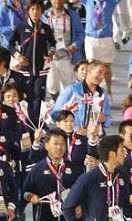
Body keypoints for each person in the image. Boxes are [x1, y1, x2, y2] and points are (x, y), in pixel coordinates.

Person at [22, 128, 81, 221]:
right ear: (46, 145)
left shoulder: (73, 169)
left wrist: (80, 205)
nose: (59, 147)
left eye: (62, 144)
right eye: (55, 143)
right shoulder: (37, 170)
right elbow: (25, 191)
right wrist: (31, 196)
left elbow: (82, 191)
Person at [10, 0, 57, 128]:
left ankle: (36, 125)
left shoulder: (45, 28)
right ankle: (24, 124)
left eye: (38, 10)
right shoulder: (21, 27)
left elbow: (53, 43)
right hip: (25, 70)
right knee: (26, 98)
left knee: (38, 97)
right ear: (28, 11)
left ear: (41, 12)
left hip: (41, 70)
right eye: (32, 9)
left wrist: (51, 52)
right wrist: (18, 56)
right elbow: (11, 43)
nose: (35, 12)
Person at [53, 59, 111, 131]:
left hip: (96, 136)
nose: (102, 77)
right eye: (100, 72)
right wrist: (72, 126)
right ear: (89, 71)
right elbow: (55, 113)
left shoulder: (102, 93)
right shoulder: (73, 90)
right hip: (75, 136)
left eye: (104, 74)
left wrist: (104, 118)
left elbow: (108, 117)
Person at [43, 0, 85, 99]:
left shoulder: (72, 15)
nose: (57, 1)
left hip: (68, 57)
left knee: (68, 88)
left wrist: (74, 45)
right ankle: (56, 103)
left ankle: (64, 109)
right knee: (51, 86)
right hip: (51, 58)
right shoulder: (44, 16)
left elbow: (81, 33)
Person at [80, 0, 121, 92]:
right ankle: (90, 91)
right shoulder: (87, 1)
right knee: (91, 65)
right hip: (91, 38)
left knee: (106, 67)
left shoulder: (111, 2)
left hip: (106, 38)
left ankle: (109, 91)